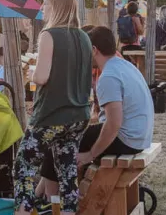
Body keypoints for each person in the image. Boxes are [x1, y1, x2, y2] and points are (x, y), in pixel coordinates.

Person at [0, 0, 92, 215]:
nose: (43, 7)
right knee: (68, 171)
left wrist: (31, 69)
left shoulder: (49, 35)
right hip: (78, 115)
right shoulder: (83, 37)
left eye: (46, 2)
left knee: (23, 168)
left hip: (50, 115)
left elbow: (42, 78)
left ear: (57, 6)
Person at [36, 25, 153, 189]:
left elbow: (113, 125)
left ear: (93, 49)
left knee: (58, 141)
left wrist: (90, 154)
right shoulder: (123, 66)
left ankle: (51, 201)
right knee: (66, 138)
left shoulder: (108, 76)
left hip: (127, 140)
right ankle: (41, 195)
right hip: (139, 137)